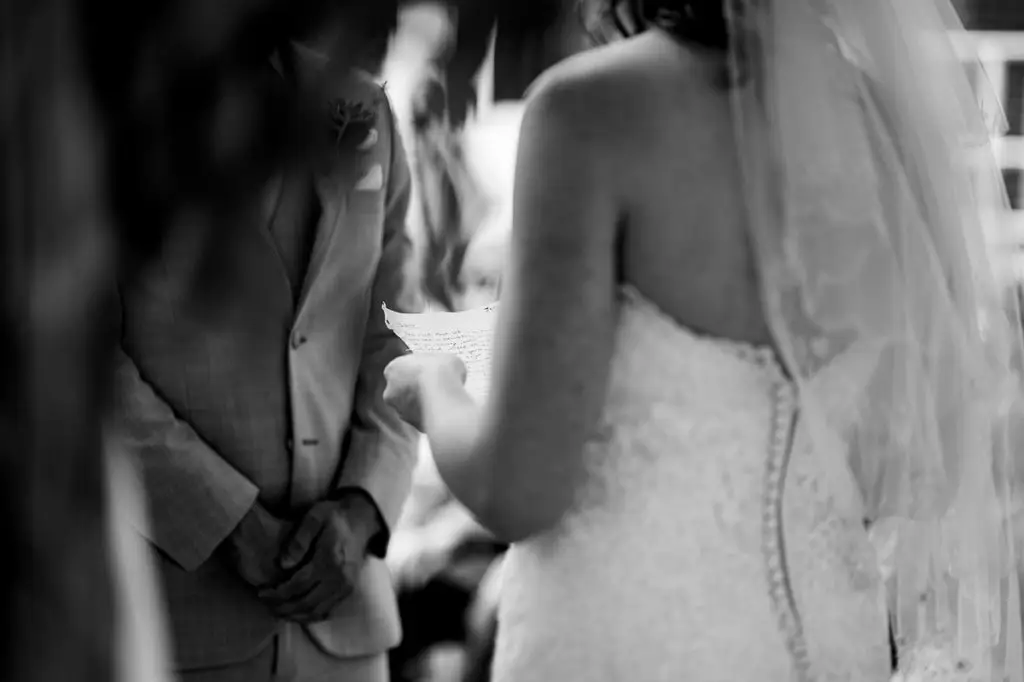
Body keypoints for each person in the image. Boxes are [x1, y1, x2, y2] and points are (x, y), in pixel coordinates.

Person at [382, 0, 1024, 680]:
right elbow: (916, 462)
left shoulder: (591, 111)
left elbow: (516, 492)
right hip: (835, 642)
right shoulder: (882, 126)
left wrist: (433, 387)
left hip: (632, 641)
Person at [109, 28, 420, 682]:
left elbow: (397, 338)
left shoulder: (363, 108)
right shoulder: (102, 115)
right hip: (173, 622)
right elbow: (85, 363)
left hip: (346, 620)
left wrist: (363, 508)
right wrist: (228, 522)